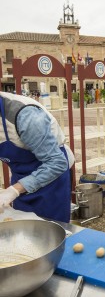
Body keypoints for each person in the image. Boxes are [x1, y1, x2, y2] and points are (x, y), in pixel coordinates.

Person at [0, 91, 74, 222]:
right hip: (21, 177)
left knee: (50, 233)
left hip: (52, 179)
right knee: (22, 230)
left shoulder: (25, 115)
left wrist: (14, 190)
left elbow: (56, 163)